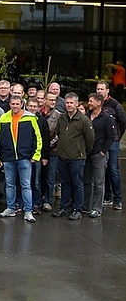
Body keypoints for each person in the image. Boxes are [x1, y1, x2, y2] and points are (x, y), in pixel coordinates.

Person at [0, 96, 42, 222]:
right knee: (10, 185)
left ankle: (28, 211)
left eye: (17, 104)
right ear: (10, 104)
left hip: (24, 157)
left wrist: (36, 155)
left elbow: (37, 137)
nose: (15, 106)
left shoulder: (30, 118)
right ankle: (10, 208)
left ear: (21, 104)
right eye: (13, 103)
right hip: (8, 157)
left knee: (26, 185)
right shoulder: (4, 118)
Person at [53, 93, 95, 221]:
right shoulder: (62, 118)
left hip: (77, 157)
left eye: (71, 103)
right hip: (62, 157)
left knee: (77, 184)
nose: (69, 105)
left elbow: (90, 139)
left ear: (77, 104)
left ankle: (78, 209)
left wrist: (83, 152)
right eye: (67, 103)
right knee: (65, 183)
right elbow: (58, 133)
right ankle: (63, 207)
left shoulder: (84, 120)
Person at [85, 93, 117, 218]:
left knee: (98, 182)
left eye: (91, 101)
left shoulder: (107, 118)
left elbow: (111, 136)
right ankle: (86, 206)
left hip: (99, 154)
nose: (89, 103)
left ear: (99, 103)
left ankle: (97, 208)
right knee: (86, 180)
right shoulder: (87, 116)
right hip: (87, 153)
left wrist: (103, 151)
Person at [96, 81, 125, 210]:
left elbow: (123, 123)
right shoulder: (96, 104)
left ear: (108, 90)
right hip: (100, 141)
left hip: (113, 141)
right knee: (103, 169)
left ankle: (117, 199)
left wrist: (116, 135)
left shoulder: (115, 105)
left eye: (102, 89)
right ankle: (106, 196)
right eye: (97, 89)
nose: (99, 91)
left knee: (113, 169)